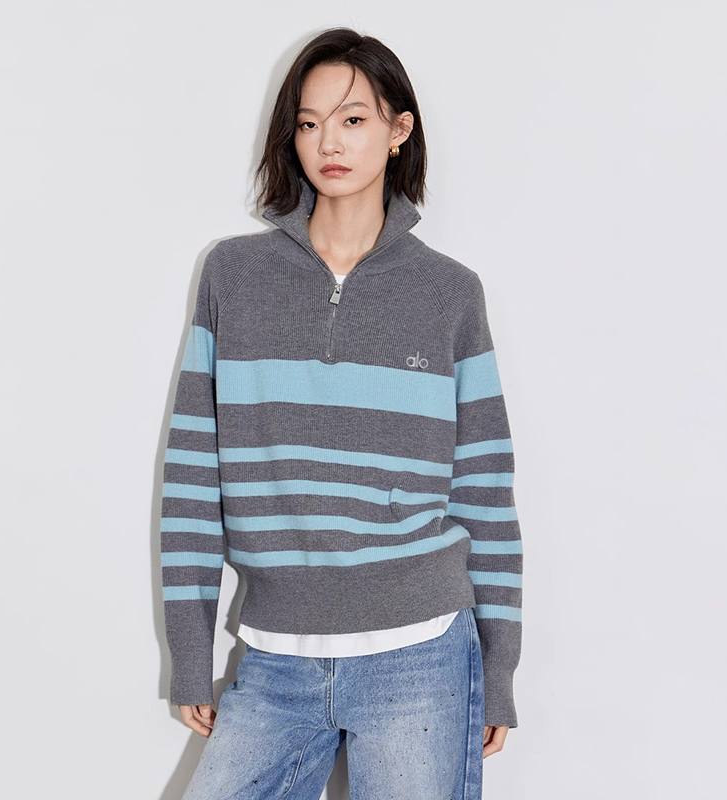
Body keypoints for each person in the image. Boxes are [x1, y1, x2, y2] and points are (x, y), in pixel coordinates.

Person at [159, 27, 523, 800]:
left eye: (353, 119)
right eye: (309, 121)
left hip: (422, 653)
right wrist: (190, 653)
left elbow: (485, 490)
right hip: (276, 658)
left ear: (399, 130)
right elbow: (192, 477)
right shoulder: (233, 276)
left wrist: (498, 669)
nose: (329, 141)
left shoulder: (450, 294)